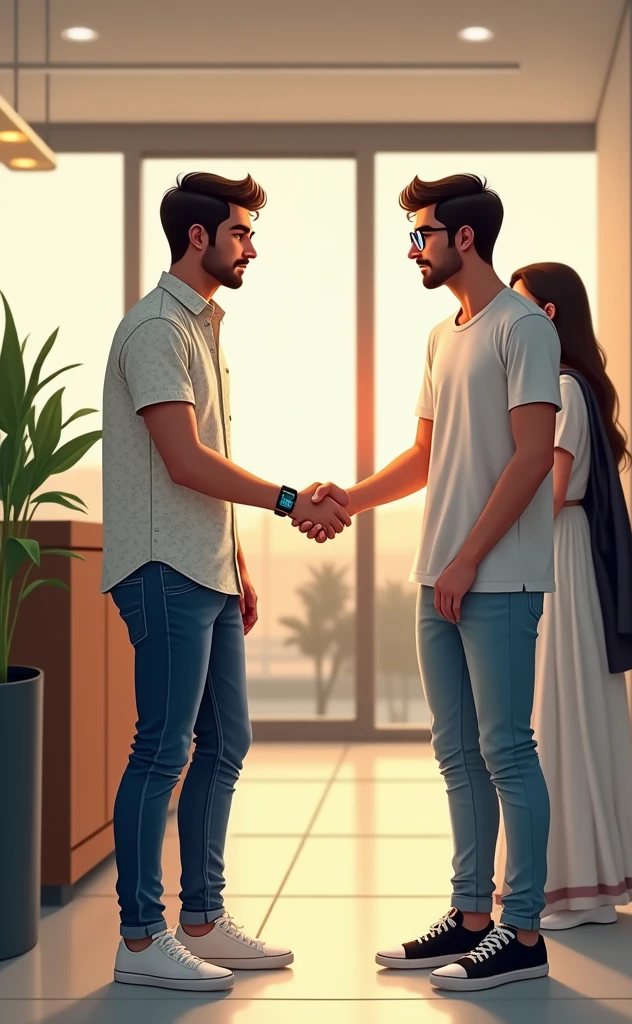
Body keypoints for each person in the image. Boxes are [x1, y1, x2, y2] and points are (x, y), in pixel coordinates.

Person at [299, 173, 561, 991]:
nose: (414, 249)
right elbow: (423, 457)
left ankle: (522, 934)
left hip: (498, 579)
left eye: (422, 235)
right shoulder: (444, 336)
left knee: (507, 751)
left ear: (466, 239)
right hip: (438, 577)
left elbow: (530, 459)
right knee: (457, 754)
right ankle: (470, 916)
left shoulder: (524, 329)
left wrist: (469, 559)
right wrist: (350, 496)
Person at [101, 171, 351, 992]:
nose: (253, 245)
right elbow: (182, 459)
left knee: (226, 744)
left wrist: (237, 560)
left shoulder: (203, 329)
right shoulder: (153, 330)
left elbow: (200, 466)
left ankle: (201, 919)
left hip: (204, 568)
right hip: (162, 570)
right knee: (161, 749)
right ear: (198, 237)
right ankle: (139, 939)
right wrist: (287, 500)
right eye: (241, 231)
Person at [490, 262, 632, 930]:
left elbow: (549, 492)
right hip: (566, 554)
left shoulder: (561, 390)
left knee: (554, 716)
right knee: (563, 714)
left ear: (548, 317)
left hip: (554, 554)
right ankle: (579, 879)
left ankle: (569, 887)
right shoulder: (575, 388)